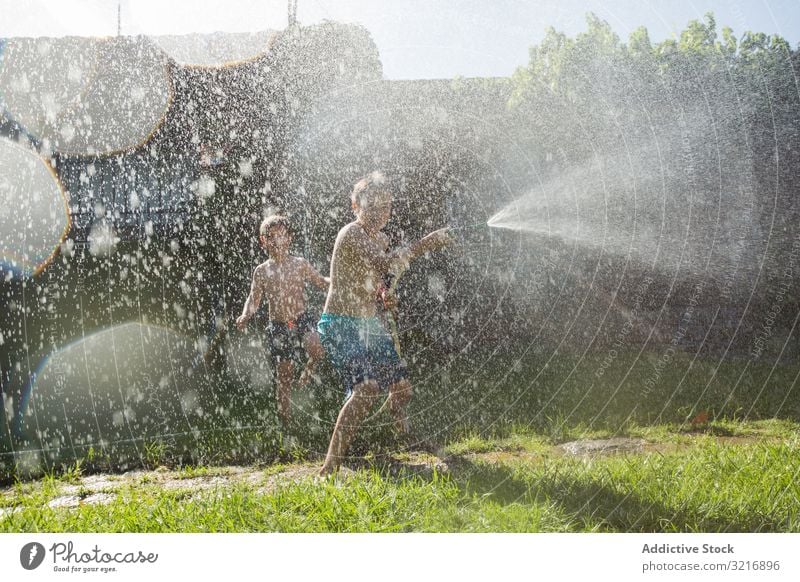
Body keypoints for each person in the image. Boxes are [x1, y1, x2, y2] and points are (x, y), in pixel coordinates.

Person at [318, 171, 451, 475]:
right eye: (372, 207)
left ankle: (394, 422)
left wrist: (382, 295)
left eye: (386, 207)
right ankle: (329, 467)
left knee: (402, 388)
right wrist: (424, 245)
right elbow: (385, 264)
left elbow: (376, 277)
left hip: (369, 323)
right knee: (365, 389)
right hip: (340, 323)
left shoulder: (381, 238)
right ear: (355, 206)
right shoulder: (350, 233)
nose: (380, 214)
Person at [236, 215, 330, 427]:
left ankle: (308, 371)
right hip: (278, 325)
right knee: (284, 374)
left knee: (316, 346)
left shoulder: (299, 264)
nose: (277, 241)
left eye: (281, 236)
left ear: (290, 238)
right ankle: (285, 420)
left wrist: (338, 280)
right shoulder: (262, 271)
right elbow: (253, 298)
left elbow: (321, 281)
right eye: (271, 237)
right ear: (263, 241)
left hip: (301, 318)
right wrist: (246, 315)